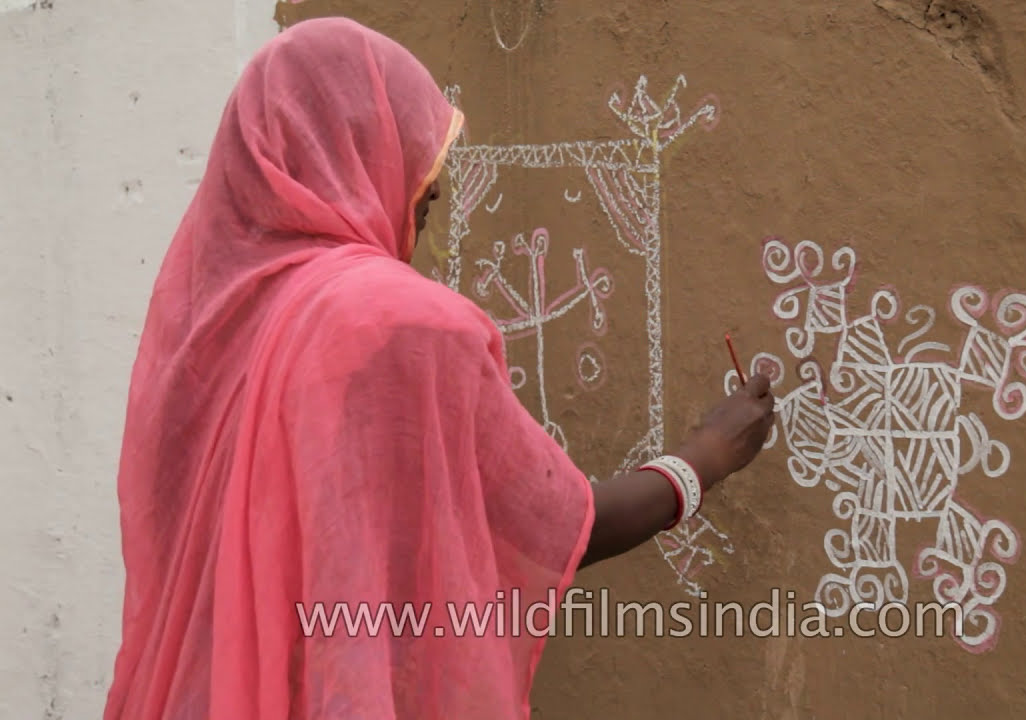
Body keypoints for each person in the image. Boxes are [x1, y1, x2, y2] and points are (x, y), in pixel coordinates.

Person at [102, 16, 775, 720]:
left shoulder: (205, 329)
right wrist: (707, 458)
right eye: (421, 176)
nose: (429, 200)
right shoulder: (397, 323)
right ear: (361, 159)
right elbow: (551, 522)